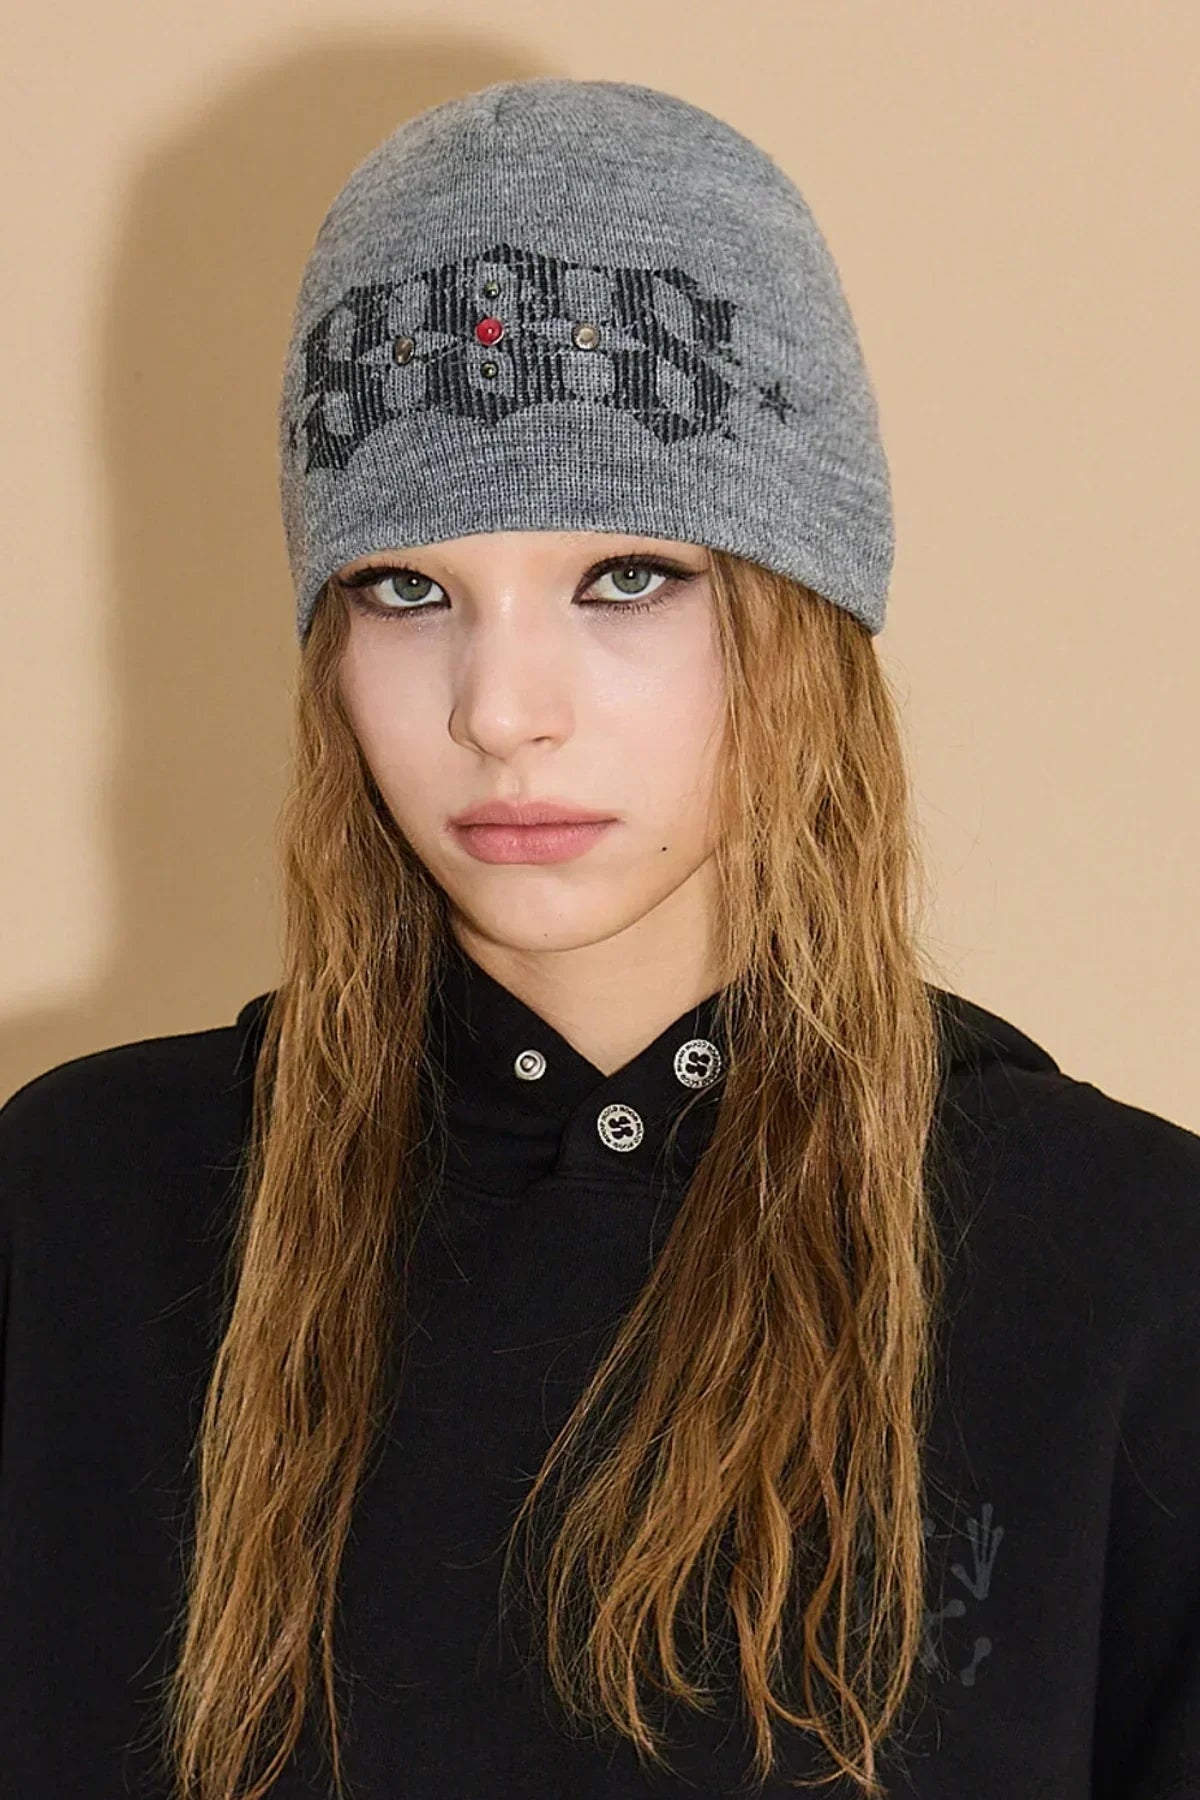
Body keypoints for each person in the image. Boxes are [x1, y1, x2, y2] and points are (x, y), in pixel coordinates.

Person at [1, 76, 1197, 1800]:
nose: (502, 711)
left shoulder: (1124, 1282)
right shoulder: (91, 1217)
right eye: (405, 591)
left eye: (628, 576)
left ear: (804, 616)